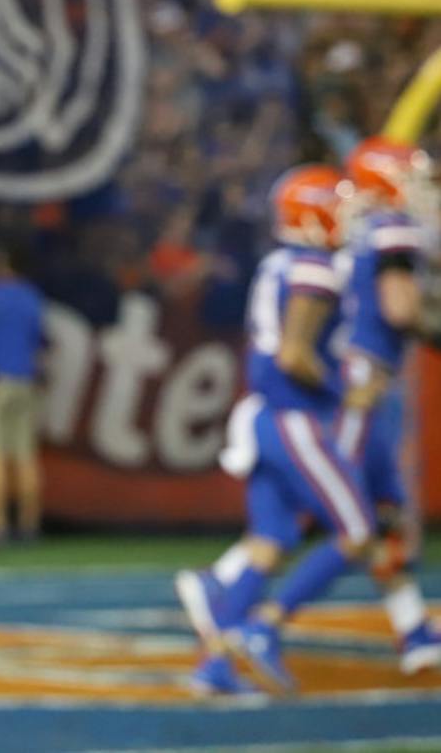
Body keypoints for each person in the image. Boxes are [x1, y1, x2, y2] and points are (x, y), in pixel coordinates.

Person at [177, 166, 375, 695]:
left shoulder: (282, 261)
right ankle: (265, 624)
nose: (348, 215)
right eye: (339, 205)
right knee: (356, 532)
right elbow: (294, 354)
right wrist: (343, 392)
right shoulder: (314, 266)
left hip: (266, 415)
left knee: (271, 540)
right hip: (294, 419)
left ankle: (213, 662)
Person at [335, 137, 441, 671]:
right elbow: (400, 310)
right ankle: (251, 610)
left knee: (383, 511)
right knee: (345, 519)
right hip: (367, 381)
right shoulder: (392, 229)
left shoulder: (359, 231)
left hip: (355, 375)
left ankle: (413, 629)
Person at [0, 243, 46, 543]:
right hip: (26, 380)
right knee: (25, 455)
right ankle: (29, 524)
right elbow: (40, 342)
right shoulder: (33, 297)